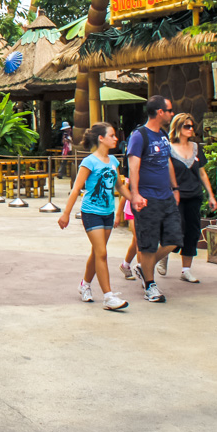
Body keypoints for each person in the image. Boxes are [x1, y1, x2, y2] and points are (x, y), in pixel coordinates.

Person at [57, 122, 131, 311]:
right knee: (102, 253)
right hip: (91, 212)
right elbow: (76, 189)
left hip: (108, 212)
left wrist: (135, 199)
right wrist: (65, 214)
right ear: (101, 138)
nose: (116, 138)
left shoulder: (114, 161)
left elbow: (120, 186)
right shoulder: (89, 161)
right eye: (112, 135)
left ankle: (85, 285)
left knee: (97, 252)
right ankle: (108, 297)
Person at [127, 95, 181, 303]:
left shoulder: (163, 134)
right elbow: (134, 167)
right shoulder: (139, 136)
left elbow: (167, 162)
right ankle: (150, 285)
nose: (172, 114)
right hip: (147, 198)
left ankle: (143, 267)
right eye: (169, 111)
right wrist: (136, 194)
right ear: (160, 112)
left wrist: (175, 188)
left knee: (175, 239)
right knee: (148, 243)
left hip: (166, 196)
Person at [168, 112, 217, 283]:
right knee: (176, 229)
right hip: (175, 196)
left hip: (194, 194)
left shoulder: (196, 147)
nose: (190, 129)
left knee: (192, 231)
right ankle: (163, 254)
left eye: (192, 126)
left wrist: (211, 195)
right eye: (186, 126)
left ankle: (186, 269)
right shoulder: (169, 148)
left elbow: (202, 173)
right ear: (178, 128)